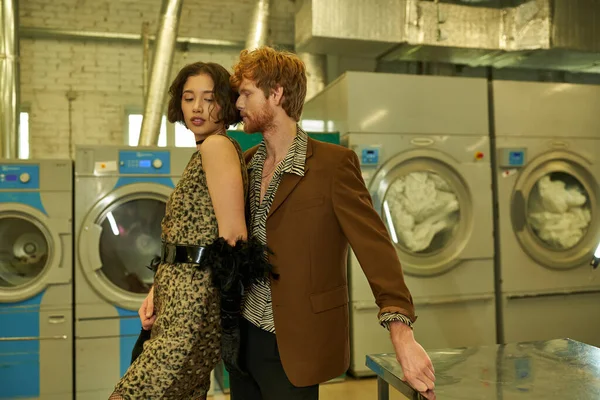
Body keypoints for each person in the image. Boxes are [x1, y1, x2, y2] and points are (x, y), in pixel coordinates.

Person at [141, 48, 436, 400]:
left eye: (247, 94)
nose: (237, 104)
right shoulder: (244, 163)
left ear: (276, 94)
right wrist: (159, 287)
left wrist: (401, 333)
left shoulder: (332, 165)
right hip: (241, 335)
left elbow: (376, 251)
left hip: (296, 340)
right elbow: (211, 238)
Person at [110, 61, 272, 400]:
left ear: (225, 104)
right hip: (177, 295)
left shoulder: (216, 147)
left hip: (191, 304)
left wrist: (217, 317)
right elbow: (184, 240)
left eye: (209, 98)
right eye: (188, 98)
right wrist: (158, 290)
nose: (197, 108)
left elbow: (233, 237)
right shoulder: (207, 150)